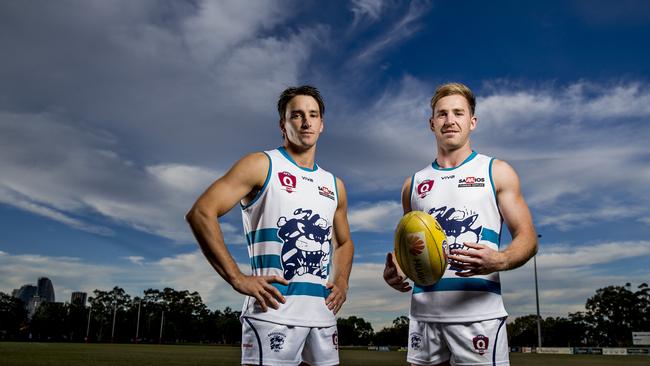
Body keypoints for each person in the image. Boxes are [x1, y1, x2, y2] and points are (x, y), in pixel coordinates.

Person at [187, 85, 354, 366]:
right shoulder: (261, 165)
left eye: (313, 115)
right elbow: (201, 212)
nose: (306, 122)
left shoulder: (334, 184)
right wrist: (237, 278)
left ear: (322, 125)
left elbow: (344, 242)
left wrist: (342, 282)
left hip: (322, 316)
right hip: (273, 313)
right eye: (297, 115)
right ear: (283, 124)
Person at [383, 82, 538, 366]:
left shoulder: (496, 171)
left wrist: (500, 259)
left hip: (478, 317)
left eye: (458, 113)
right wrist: (398, 270)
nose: (450, 120)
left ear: (472, 121)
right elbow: (417, 249)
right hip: (424, 317)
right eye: (442, 114)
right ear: (432, 123)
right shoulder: (413, 184)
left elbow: (528, 237)